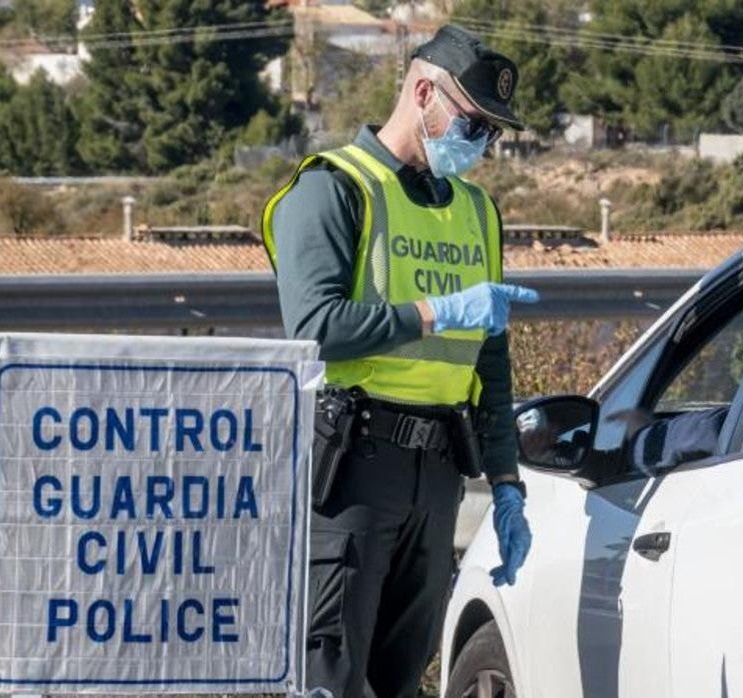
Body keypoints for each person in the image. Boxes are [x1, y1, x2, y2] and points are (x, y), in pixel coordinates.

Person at [261, 24, 537, 698]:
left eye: (492, 135)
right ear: (422, 92)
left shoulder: (476, 211)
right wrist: (435, 312)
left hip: (438, 470)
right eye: (473, 125)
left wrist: (505, 479)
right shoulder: (334, 189)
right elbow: (316, 326)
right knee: (332, 678)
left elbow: (489, 360)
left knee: (403, 678)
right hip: (353, 467)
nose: (481, 146)